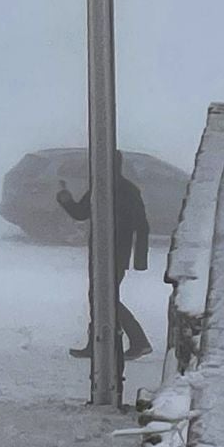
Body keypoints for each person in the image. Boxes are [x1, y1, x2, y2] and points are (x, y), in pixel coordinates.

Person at [56, 151, 152, 360]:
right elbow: (82, 214)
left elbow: (81, 213)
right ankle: (101, 343)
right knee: (100, 296)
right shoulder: (121, 189)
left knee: (103, 297)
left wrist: (66, 200)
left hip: (110, 251)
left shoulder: (110, 189)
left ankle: (136, 340)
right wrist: (139, 260)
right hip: (113, 251)